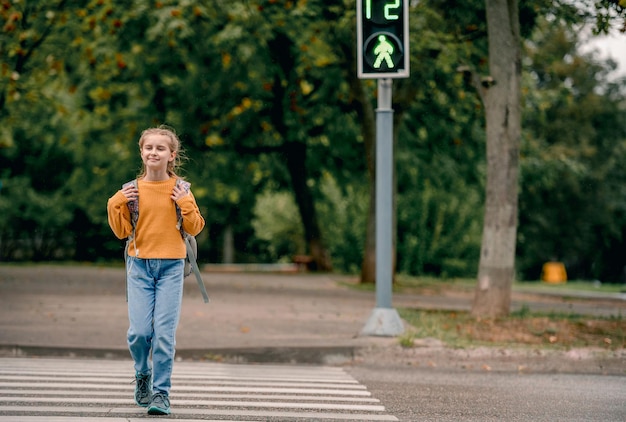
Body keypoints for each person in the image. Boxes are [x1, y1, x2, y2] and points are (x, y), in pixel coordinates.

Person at [107, 125, 205, 415]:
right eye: (149, 147)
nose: (154, 152)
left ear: (171, 155)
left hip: (171, 268)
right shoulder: (131, 191)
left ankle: (161, 393)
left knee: (163, 335)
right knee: (138, 333)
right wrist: (116, 204)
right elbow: (122, 231)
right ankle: (142, 374)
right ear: (142, 152)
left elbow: (195, 227)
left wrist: (185, 204)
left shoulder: (181, 190)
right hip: (138, 267)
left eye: (160, 148)